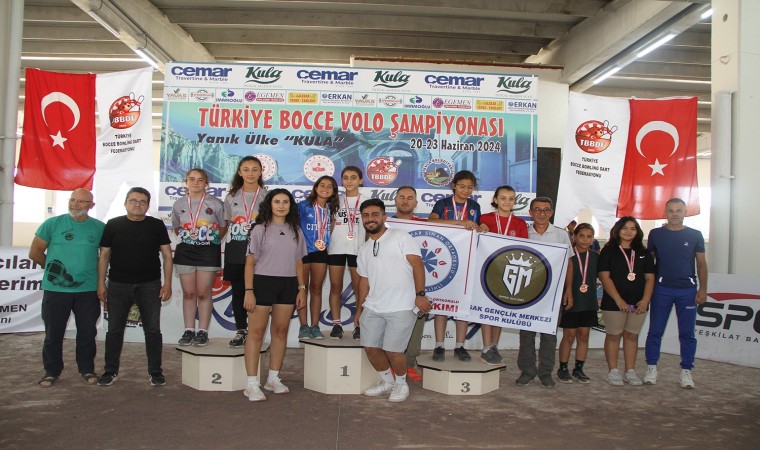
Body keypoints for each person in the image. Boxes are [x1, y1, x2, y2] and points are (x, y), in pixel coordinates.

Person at [355, 199, 432, 402]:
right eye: (366, 215)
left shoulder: (400, 236)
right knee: (371, 349)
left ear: (384, 217)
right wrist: (359, 309)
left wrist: (420, 294)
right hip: (373, 306)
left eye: (375, 214)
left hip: (402, 306)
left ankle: (401, 384)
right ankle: (387, 381)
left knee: (393, 350)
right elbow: (364, 281)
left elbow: (417, 265)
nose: (370, 219)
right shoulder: (363, 249)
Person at [96, 188, 173, 387]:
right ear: (125, 203)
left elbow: (167, 255)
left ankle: (155, 372)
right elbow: (104, 255)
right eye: (133, 200)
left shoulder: (156, 225)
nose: (137, 204)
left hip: (150, 285)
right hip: (118, 285)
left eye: (142, 201)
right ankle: (110, 371)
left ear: (148, 205)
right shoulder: (113, 224)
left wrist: (167, 283)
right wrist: (101, 284)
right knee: (114, 330)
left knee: (153, 330)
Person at [29, 189, 105, 388]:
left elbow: (105, 257)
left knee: (87, 333)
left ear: (91, 206)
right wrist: (54, 272)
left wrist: (100, 283)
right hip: (56, 291)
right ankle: (51, 371)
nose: (75, 204)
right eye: (73, 200)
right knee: (53, 334)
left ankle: (87, 369)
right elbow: (35, 252)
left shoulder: (99, 228)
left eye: (81, 201)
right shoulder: (52, 224)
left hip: (87, 290)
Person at [242, 189, 307, 401]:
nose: (281, 206)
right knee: (256, 333)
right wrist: (249, 291)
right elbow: (249, 263)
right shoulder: (259, 229)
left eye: (285, 202)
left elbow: (299, 261)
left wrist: (301, 288)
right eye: (277, 201)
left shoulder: (296, 230)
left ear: (290, 205)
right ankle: (252, 384)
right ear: (269, 205)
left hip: (288, 284)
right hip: (262, 282)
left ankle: (273, 378)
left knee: (280, 331)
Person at [644, 198, 708, 389]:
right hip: (661, 290)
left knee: (687, 333)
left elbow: (701, 264)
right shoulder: (656, 234)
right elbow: (648, 263)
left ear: (685, 212)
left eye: (678, 210)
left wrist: (703, 289)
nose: (674, 214)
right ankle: (651, 368)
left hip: (687, 290)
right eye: (670, 210)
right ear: (665, 213)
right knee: (655, 331)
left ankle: (686, 371)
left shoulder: (695, 235)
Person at [427, 170, 487, 362]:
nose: (466, 191)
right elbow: (432, 221)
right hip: (444, 257)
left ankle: (460, 346)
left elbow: (478, 228)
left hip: (467, 259)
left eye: (470, 187)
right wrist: (459, 223)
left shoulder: (475, 206)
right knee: (442, 303)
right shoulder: (443, 204)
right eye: (462, 186)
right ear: (454, 185)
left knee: (462, 303)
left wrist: (482, 227)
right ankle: (439, 345)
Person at [517, 196, 571, 388]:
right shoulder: (523, 232)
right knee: (526, 333)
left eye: (546, 210)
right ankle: (527, 371)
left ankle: (546, 372)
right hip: (527, 291)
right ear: (530, 212)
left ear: (552, 212)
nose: (542, 213)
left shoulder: (561, 234)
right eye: (537, 210)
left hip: (553, 292)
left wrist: (569, 290)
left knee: (549, 334)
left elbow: (569, 263)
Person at [172, 168, 227, 347]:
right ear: (186, 182)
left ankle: (203, 331)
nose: (195, 183)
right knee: (189, 293)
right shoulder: (179, 204)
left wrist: (210, 240)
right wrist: (190, 238)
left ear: (206, 183)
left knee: (204, 293)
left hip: (208, 252)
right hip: (185, 252)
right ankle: (189, 330)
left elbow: (223, 226)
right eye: (192, 179)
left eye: (200, 180)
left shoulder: (215, 203)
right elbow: (176, 227)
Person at [598, 217, 655, 386]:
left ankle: (630, 371)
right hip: (614, 303)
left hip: (639, 303)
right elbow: (604, 277)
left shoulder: (644, 253)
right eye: (625, 228)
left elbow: (650, 278)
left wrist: (645, 300)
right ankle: (613, 371)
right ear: (617, 230)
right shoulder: (608, 251)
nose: (629, 231)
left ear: (637, 232)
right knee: (614, 335)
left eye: (633, 228)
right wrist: (618, 300)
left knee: (631, 335)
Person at [478, 185, 529, 365]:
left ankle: (494, 346)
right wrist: (479, 228)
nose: (507, 202)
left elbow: (524, 249)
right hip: (487, 270)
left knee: (499, 310)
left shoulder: (520, 224)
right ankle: (486, 348)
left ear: (515, 201)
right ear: (495, 200)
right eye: (503, 198)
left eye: (511, 198)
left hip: (508, 272)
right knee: (486, 310)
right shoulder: (485, 219)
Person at [223, 157, 267, 348]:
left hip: (260, 250)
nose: (250, 173)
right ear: (240, 172)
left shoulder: (267, 196)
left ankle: (256, 332)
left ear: (260, 172)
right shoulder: (231, 197)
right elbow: (227, 223)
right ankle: (241, 330)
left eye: (254, 169)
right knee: (238, 291)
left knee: (259, 292)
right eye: (246, 169)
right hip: (236, 248)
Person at [297, 175, 339, 339]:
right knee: (302, 288)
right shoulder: (303, 206)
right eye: (322, 185)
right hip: (303, 251)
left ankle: (315, 326)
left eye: (330, 186)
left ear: (333, 191)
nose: (325, 189)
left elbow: (331, 227)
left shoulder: (331, 208)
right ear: (315, 187)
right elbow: (294, 226)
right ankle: (303, 326)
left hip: (320, 252)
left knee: (316, 289)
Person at [327, 166, 366, 340]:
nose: (349, 181)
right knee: (335, 286)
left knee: (359, 288)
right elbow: (329, 223)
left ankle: (359, 324)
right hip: (336, 248)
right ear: (341, 180)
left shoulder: (366, 201)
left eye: (353, 177)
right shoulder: (334, 201)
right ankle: (336, 324)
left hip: (358, 250)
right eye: (346, 177)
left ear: (360, 180)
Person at [557, 223, 599, 383]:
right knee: (569, 336)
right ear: (574, 237)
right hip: (571, 301)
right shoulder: (567, 255)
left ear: (593, 239)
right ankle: (563, 368)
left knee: (584, 335)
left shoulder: (595, 257)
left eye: (589, 237)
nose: (585, 240)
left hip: (588, 302)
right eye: (581, 236)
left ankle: (579, 369)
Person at [393, 186, 427, 381]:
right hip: (391, 284)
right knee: (390, 324)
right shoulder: (385, 224)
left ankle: (410, 363)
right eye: (402, 197)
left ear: (416, 203)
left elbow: (448, 225)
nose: (405, 201)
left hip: (417, 284)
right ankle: (391, 364)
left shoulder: (426, 224)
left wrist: (465, 224)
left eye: (410, 198)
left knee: (417, 320)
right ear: (395, 200)